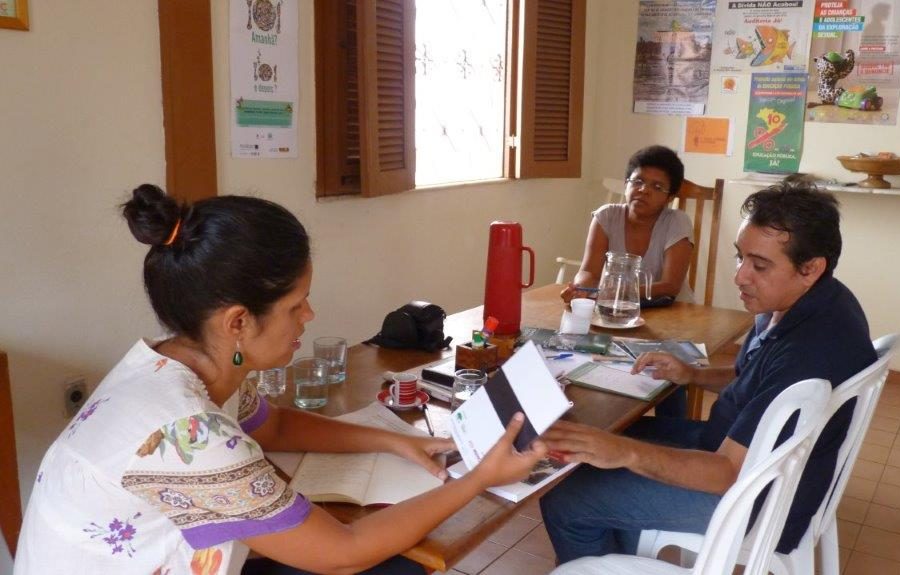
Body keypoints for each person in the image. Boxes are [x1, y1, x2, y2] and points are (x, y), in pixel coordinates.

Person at [14, 185, 547, 575]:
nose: (309, 316)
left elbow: (273, 427)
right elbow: (343, 553)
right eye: (296, 304)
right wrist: (479, 479)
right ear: (239, 322)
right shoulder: (186, 432)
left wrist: (398, 441)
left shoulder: (180, 363)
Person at [540, 181, 876, 564]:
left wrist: (625, 454)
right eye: (741, 257)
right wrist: (694, 375)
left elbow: (727, 473)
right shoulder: (807, 300)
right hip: (749, 459)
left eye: (759, 265)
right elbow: (756, 378)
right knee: (618, 436)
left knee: (567, 502)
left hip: (758, 499)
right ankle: (624, 559)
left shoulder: (808, 350)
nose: (740, 276)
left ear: (810, 268)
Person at [560, 145, 695, 304]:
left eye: (657, 187)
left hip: (673, 312)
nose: (644, 190)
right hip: (616, 307)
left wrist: (619, 291)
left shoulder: (677, 222)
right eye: (638, 181)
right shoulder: (606, 217)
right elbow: (589, 272)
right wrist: (580, 288)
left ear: (670, 197)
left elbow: (670, 286)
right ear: (626, 184)